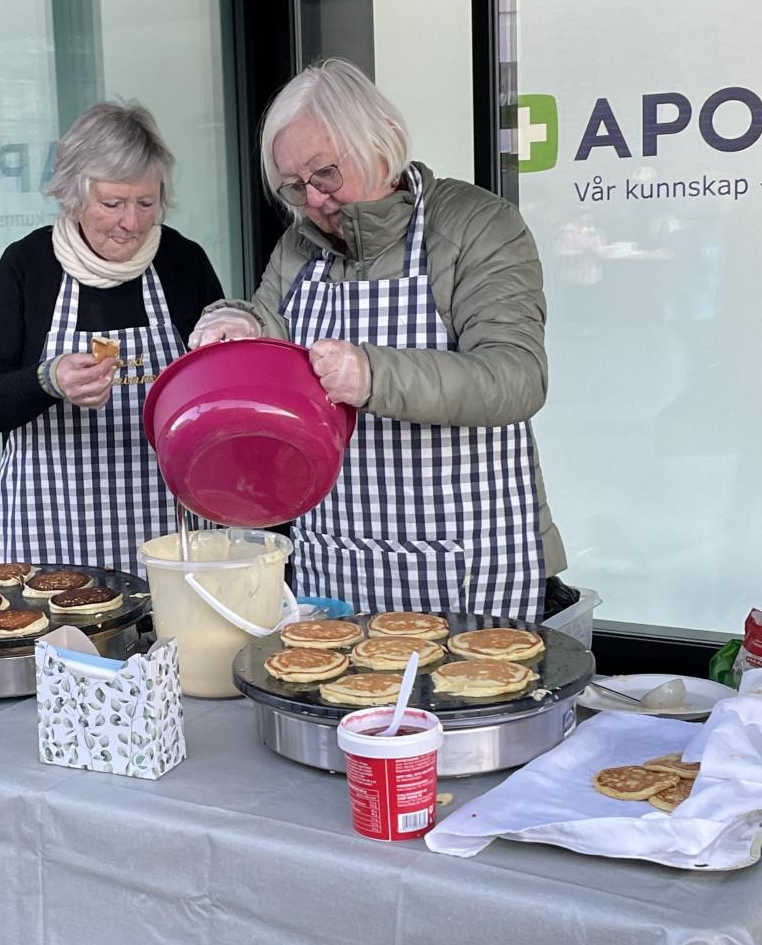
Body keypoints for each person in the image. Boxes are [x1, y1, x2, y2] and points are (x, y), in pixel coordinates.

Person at [190, 58, 567, 623]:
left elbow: (516, 377)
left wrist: (371, 375)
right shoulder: (300, 248)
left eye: (325, 175)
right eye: (294, 187)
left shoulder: (475, 226)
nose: (314, 200)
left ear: (381, 142)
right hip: (337, 556)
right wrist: (235, 325)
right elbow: (268, 331)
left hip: (467, 560)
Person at [0, 101, 224, 571]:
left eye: (146, 203)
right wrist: (47, 381)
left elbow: (221, 394)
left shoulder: (183, 264)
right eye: (112, 203)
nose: (132, 223)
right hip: (47, 541)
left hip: (169, 535)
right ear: (73, 194)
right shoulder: (29, 266)